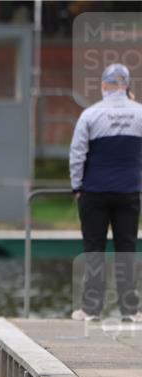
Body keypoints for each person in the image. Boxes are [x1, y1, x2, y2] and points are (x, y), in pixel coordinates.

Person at [69, 62, 142, 323]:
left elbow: (77, 155)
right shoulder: (139, 113)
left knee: (94, 249)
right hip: (129, 192)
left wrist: (77, 186)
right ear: (127, 87)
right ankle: (130, 310)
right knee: (127, 249)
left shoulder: (90, 115)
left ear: (103, 86)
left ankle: (91, 310)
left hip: (94, 192)